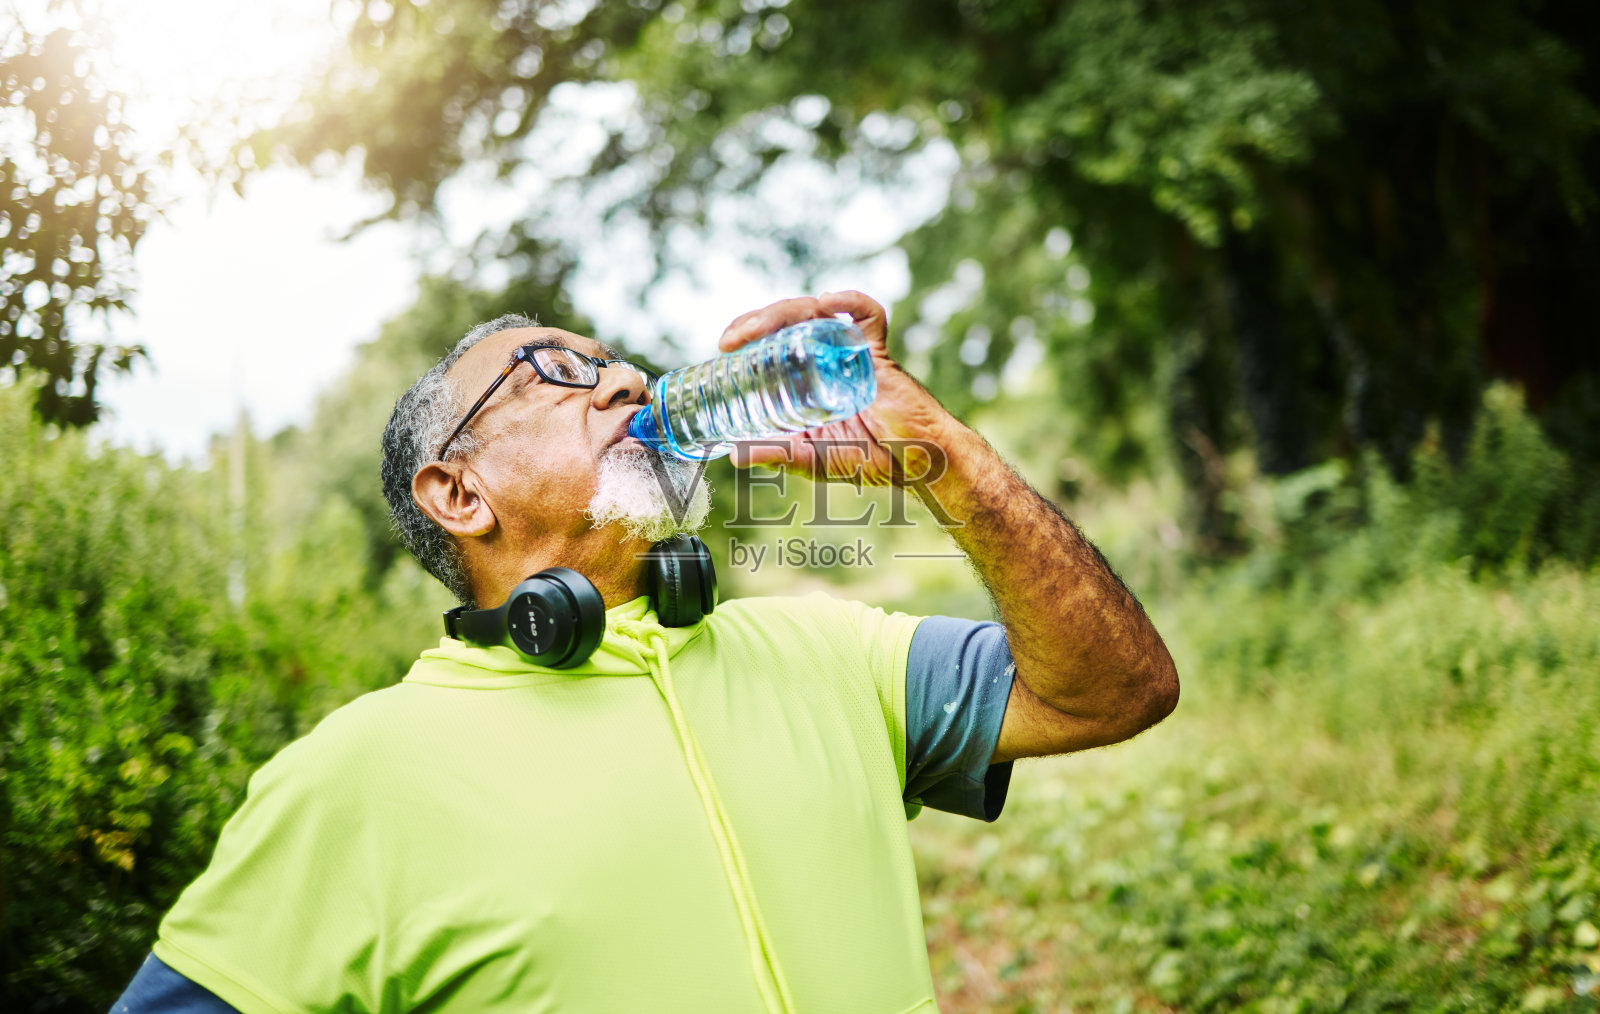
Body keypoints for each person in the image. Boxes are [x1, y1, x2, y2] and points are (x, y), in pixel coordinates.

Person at [110, 291, 1178, 1013]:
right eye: (551, 374)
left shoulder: (826, 649)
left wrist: (942, 457)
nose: (623, 381)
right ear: (458, 492)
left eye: (613, 363)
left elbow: (1116, 690)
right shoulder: (357, 777)